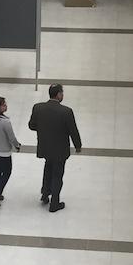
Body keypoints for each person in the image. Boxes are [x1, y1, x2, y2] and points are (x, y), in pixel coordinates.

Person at [28, 84, 82, 213]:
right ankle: (55, 203)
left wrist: (44, 129)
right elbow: (72, 131)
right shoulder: (66, 111)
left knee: (48, 168)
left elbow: (31, 125)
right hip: (60, 150)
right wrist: (78, 146)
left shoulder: (38, 107)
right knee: (58, 174)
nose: (62, 95)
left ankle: (45, 194)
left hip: (45, 147)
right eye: (62, 93)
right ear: (58, 94)